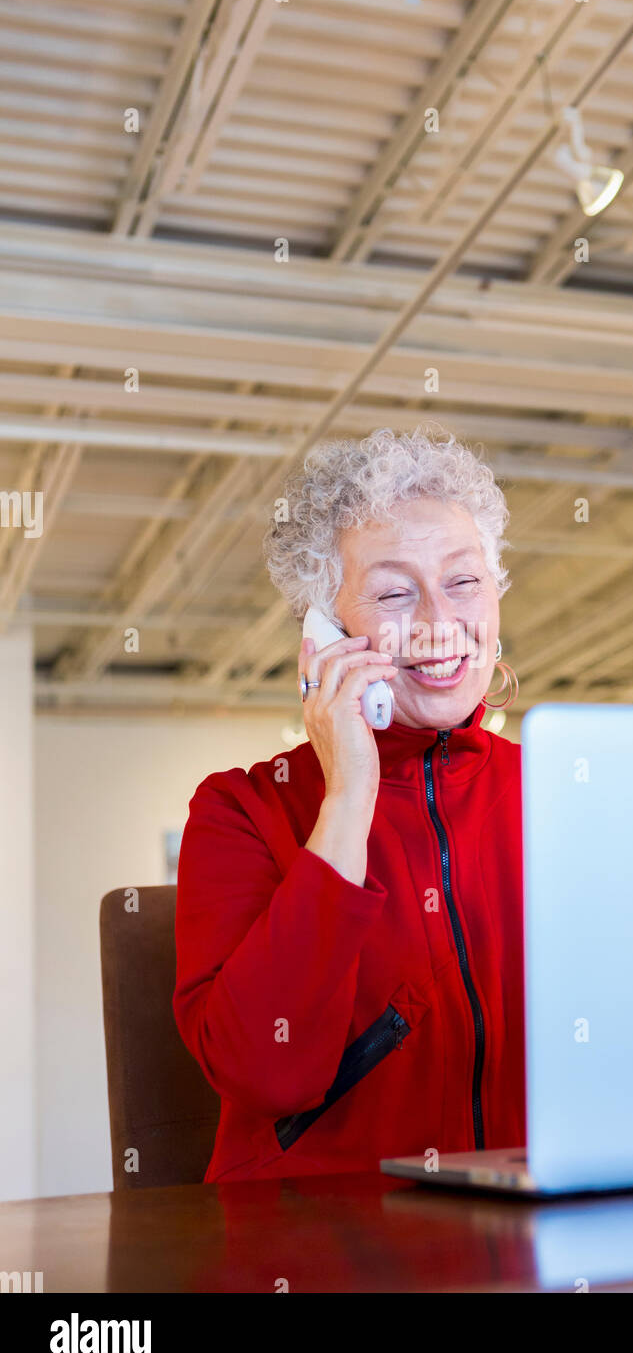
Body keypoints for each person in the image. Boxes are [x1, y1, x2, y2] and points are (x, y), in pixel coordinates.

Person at [173, 426, 524, 1181]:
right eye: (395, 593)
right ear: (324, 631)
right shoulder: (240, 812)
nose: (438, 621)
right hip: (320, 1251)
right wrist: (350, 792)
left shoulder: (557, 794)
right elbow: (270, 1073)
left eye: (463, 582)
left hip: (541, 1248)